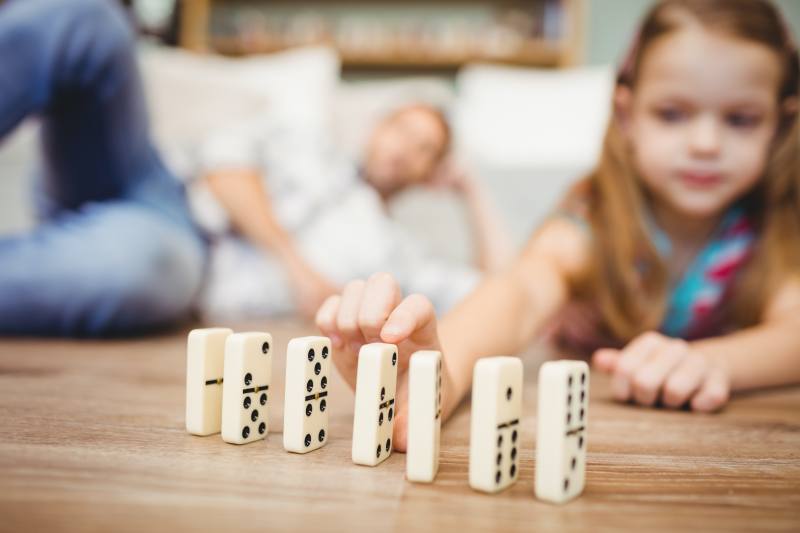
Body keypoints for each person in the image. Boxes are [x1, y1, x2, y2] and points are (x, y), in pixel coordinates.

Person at [313, 0, 800, 452]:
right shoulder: (593, 218)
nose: (705, 143)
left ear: (779, 125)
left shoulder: (774, 227)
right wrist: (438, 375)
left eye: (740, 119)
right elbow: (520, 294)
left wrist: (716, 362)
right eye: (672, 114)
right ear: (627, 116)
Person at [193, 102, 512, 321]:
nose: (403, 149)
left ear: (430, 173)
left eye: (423, 148)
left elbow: (498, 291)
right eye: (401, 129)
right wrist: (299, 272)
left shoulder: (399, 255)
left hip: (221, 316)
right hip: (188, 235)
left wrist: (473, 191)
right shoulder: (306, 151)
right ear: (376, 127)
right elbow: (222, 168)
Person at [0, 0, 205, 337]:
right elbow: (230, 168)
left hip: (179, 250)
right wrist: (300, 272)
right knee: (90, 21)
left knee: (136, 267)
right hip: (162, 191)